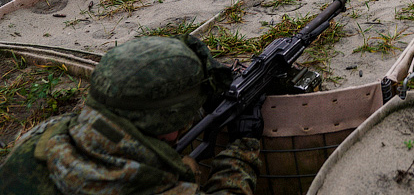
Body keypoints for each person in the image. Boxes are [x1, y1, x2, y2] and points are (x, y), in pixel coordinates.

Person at [0, 35, 260, 194]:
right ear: (166, 121)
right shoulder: (147, 183)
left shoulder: (42, 136)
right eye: (186, 116)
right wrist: (242, 150)